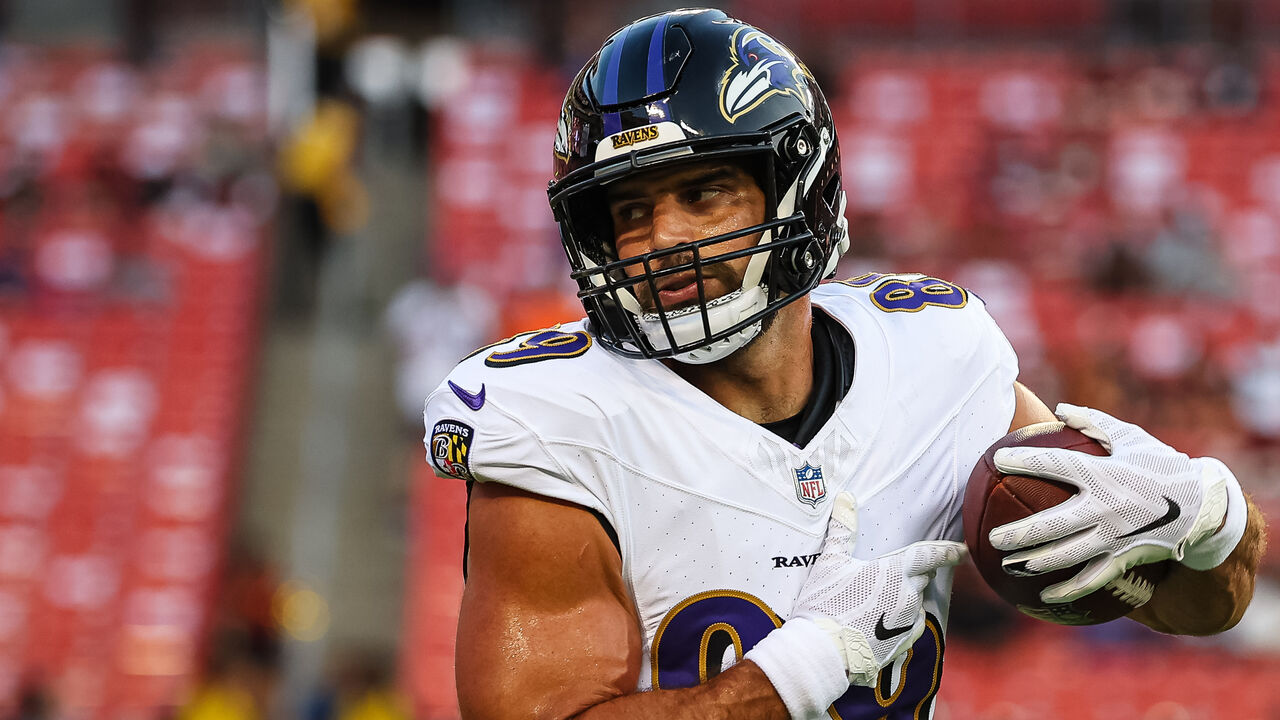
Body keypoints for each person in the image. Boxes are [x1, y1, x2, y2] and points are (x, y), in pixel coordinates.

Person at [424, 9, 1267, 720]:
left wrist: (1207, 519)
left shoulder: (934, 359)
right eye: (630, 212)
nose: (662, 239)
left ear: (799, 189)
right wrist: (798, 671)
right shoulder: (559, 420)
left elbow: (1200, 606)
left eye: (703, 193)